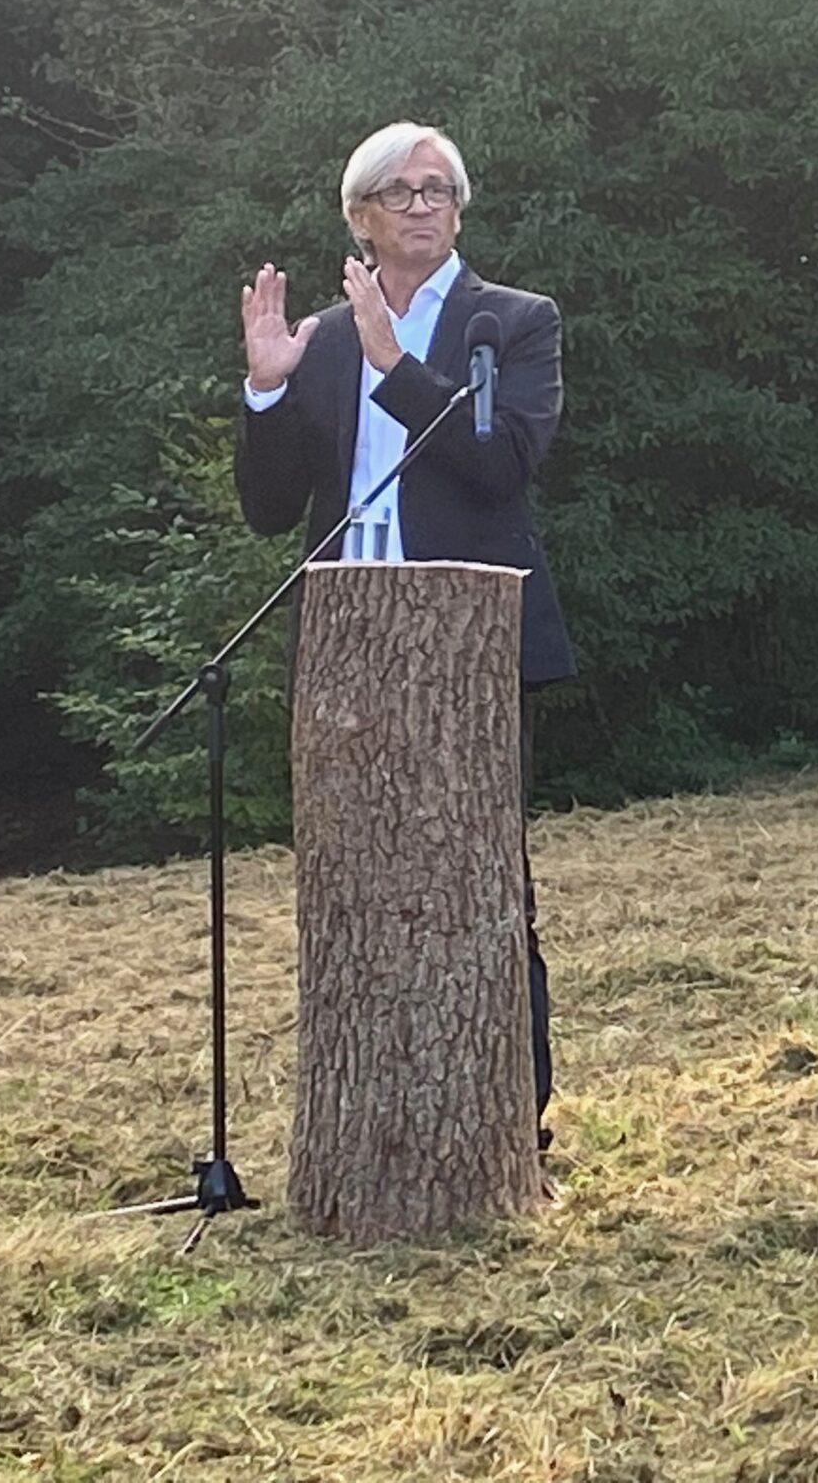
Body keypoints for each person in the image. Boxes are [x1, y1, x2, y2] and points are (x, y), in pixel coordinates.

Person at [233, 121, 575, 1142]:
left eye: (439, 189)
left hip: (467, 637)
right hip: (346, 632)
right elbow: (267, 506)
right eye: (401, 190)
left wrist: (396, 362)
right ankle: (375, 1105)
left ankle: (517, 1110)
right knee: (356, 875)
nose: (424, 204)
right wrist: (266, 386)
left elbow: (500, 464)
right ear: (361, 217)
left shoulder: (511, 323)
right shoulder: (324, 338)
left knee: (481, 879)